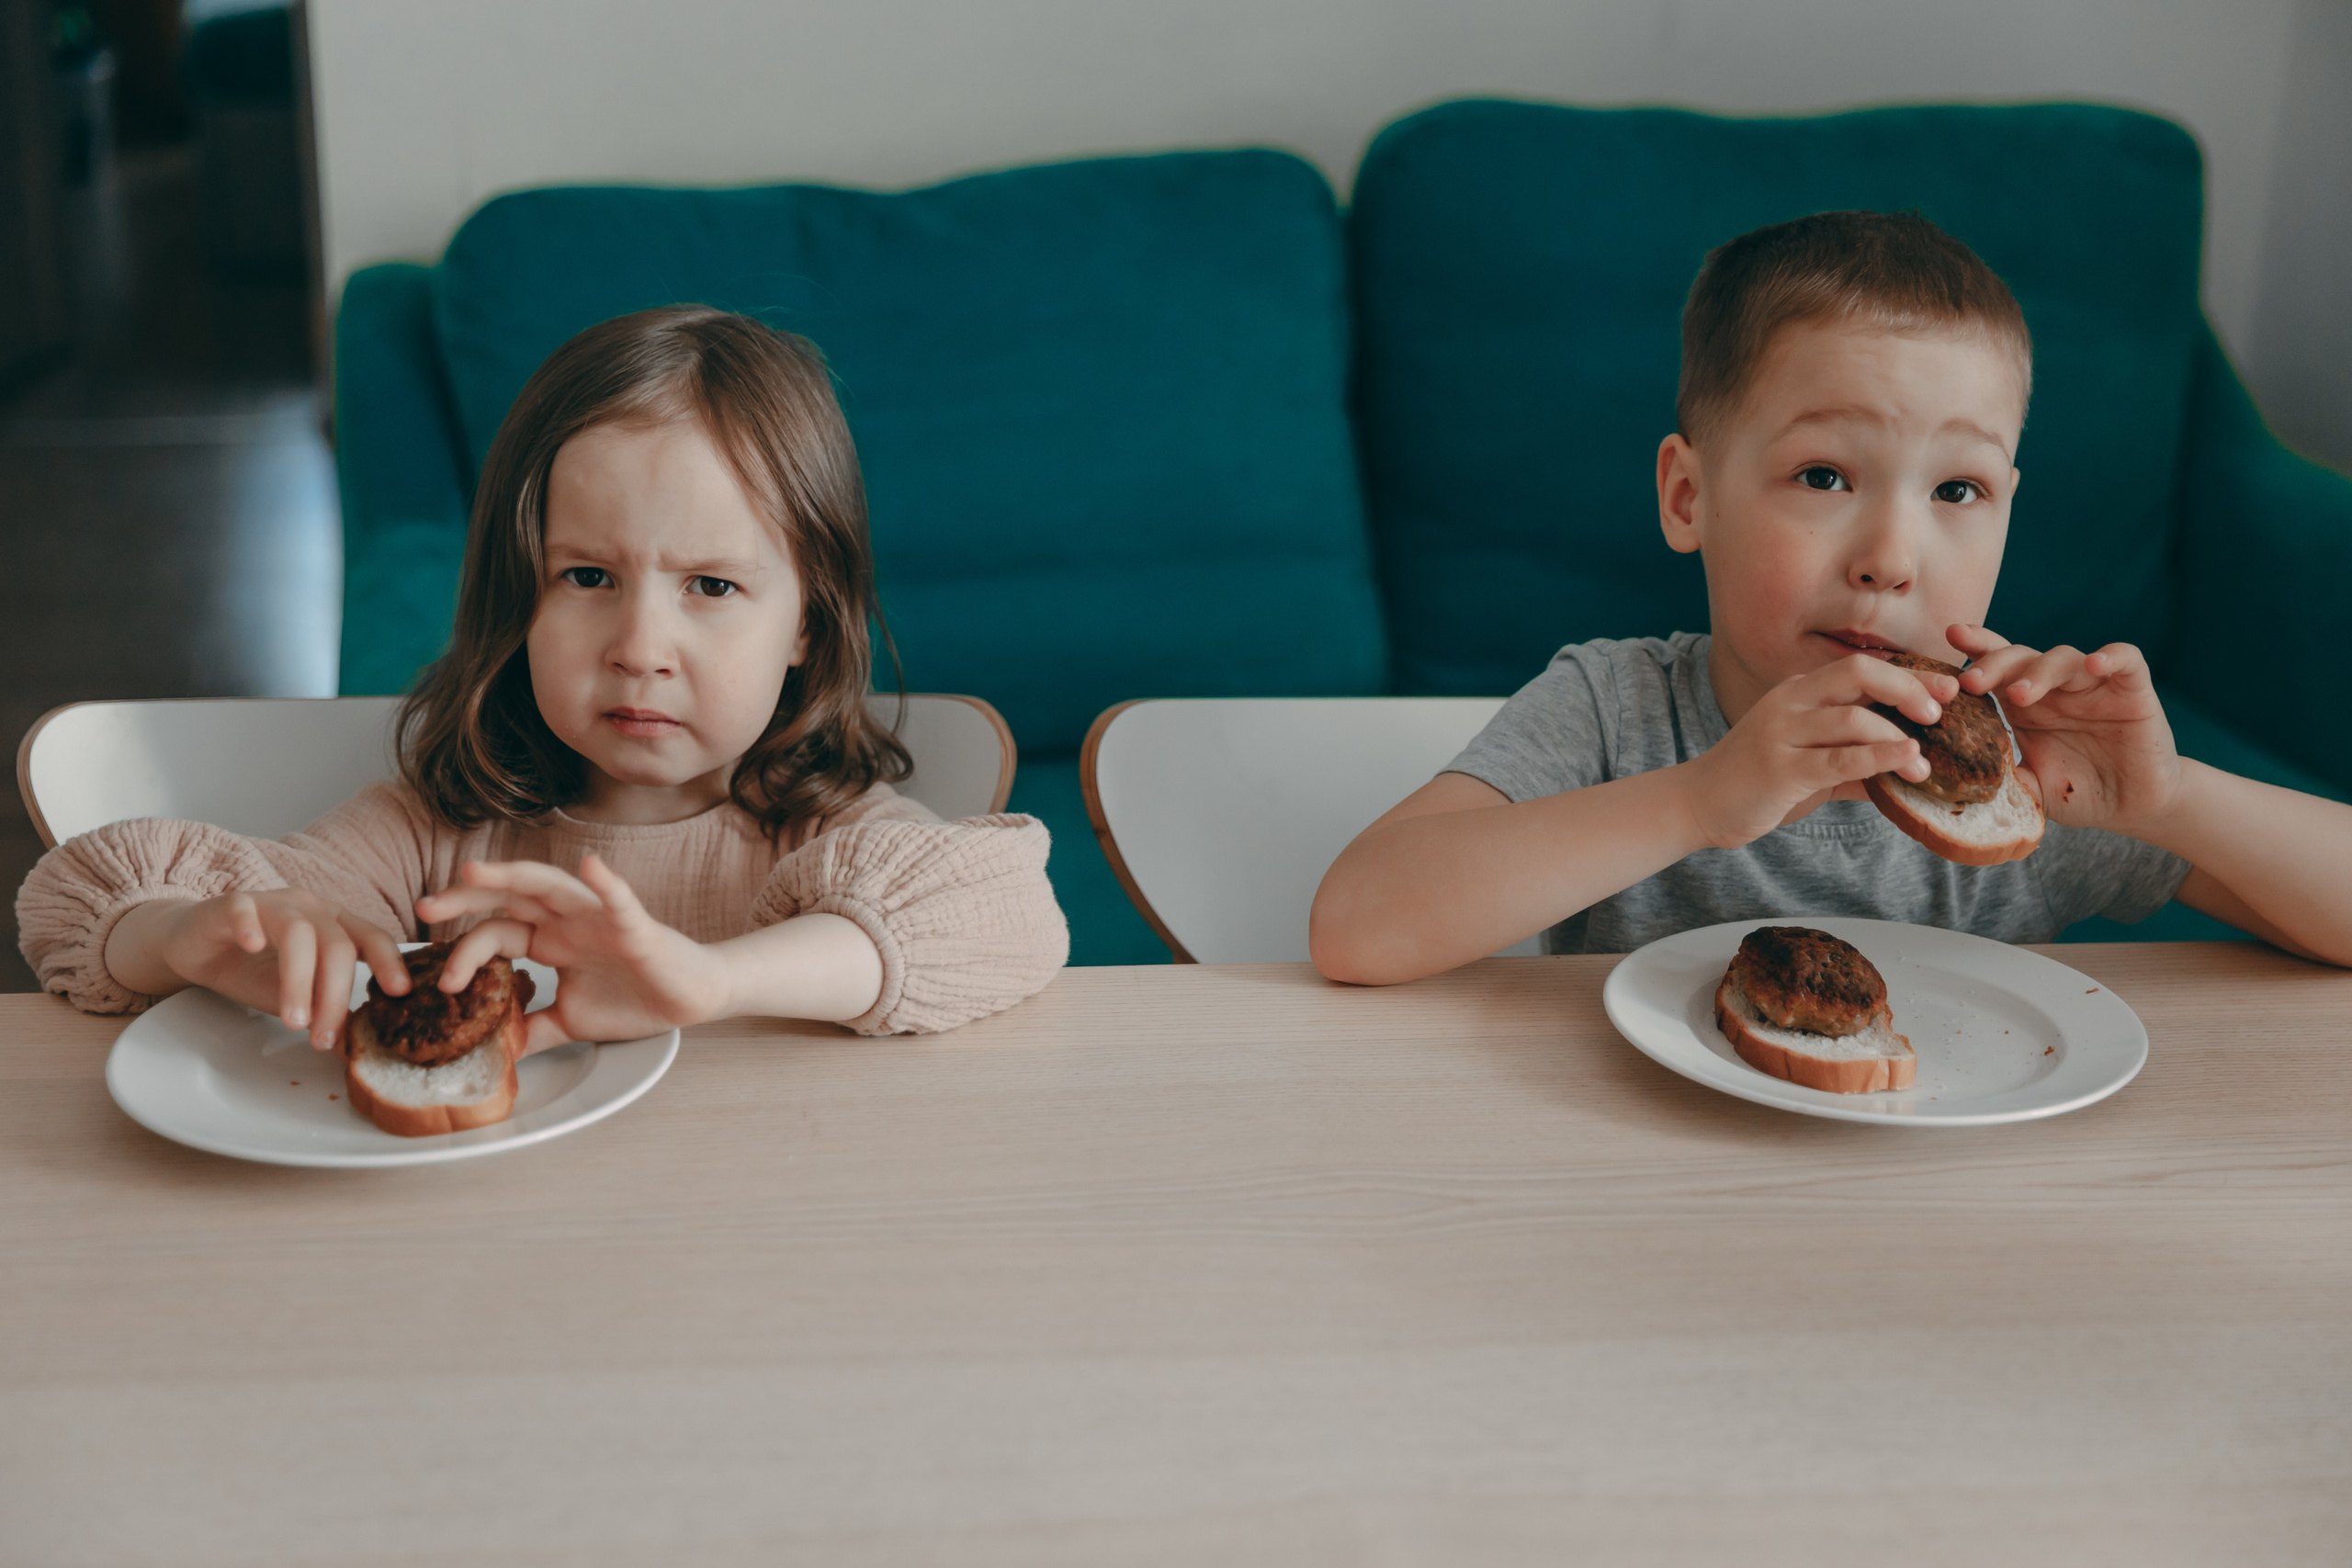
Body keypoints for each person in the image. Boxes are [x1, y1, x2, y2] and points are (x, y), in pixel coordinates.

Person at [1311, 211, 2352, 984]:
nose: (1890, 557)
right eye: (1823, 477)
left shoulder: (2028, 769)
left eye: (1957, 489)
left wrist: (2170, 802)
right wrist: (1697, 798)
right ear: (1688, 496)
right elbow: (1358, 925)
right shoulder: (1612, 710)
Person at [20, 306, 1068, 1048]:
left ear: (808, 624)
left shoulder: (823, 836)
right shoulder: (440, 836)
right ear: (515, 598)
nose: (639, 645)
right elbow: (73, 898)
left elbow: (1011, 918)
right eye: (587, 576)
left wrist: (707, 983)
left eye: (709, 585)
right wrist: (198, 939)